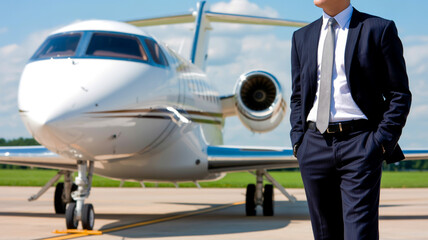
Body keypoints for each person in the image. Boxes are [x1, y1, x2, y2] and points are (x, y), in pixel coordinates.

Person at [289, 0, 411, 239]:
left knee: (359, 235)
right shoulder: (301, 37)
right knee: (325, 235)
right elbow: (298, 96)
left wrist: (381, 142)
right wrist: (299, 141)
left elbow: (399, 93)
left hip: (361, 144)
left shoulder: (378, 29)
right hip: (313, 146)